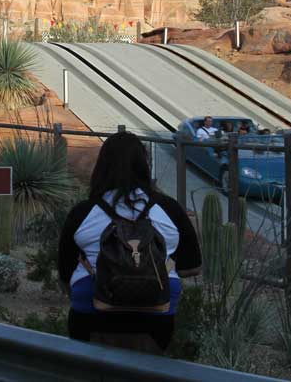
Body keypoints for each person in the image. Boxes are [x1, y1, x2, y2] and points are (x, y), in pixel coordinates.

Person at [57, 132, 202, 354]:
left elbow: (65, 272)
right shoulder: (170, 209)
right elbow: (192, 266)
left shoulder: (83, 213)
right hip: (156, 318)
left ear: (102, 166)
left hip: (92, 315)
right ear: (145, 165)